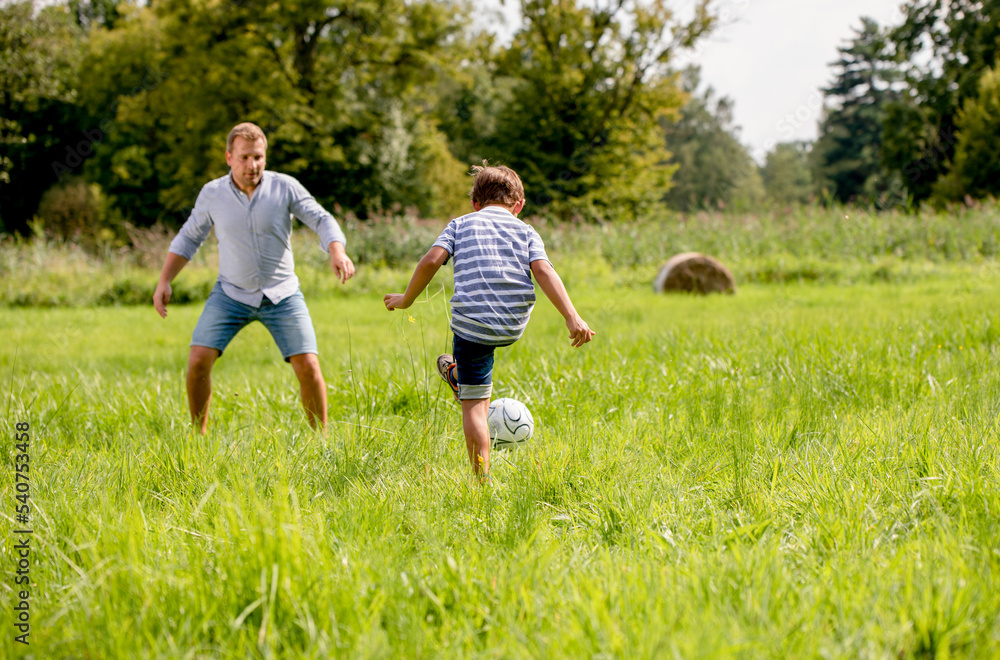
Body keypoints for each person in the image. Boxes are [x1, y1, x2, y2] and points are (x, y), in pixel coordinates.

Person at [383, 163, 594, 480]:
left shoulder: (459, 225)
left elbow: (430, 261)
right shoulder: (526, 231)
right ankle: (460, 376)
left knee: (475, 409)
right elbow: (544, 271)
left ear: (475, 203)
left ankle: (481, 483)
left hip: (473, 326)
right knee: (475, 378)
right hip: (511, 324)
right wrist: (571, 316)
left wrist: (406, 299)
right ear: (518, 206)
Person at [153, 122, 355, 433]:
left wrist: (336, 250)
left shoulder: (285, 187)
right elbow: (188, 238)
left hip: (282, 294)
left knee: (309, 365)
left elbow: (321, 217)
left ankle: (320, 440)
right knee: (197, 361)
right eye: (245, 157)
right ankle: (197, 436)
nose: (253, 165)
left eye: (259, 157)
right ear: (229, 157)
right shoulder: (212, 194)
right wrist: (164, 281)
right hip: (230, 294)